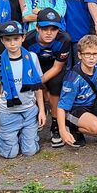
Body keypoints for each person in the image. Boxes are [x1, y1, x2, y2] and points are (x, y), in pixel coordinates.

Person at [0, 20, 47, 158]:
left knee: (29, 151)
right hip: (8, 113)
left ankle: (23, 135)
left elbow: (38, 86)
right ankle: (2, 138)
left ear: (23, 38)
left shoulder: (32, 58)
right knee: (10, 154)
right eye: (8, 40)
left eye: (16, 39)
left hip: (29, 111)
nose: (12, 43)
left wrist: (41, 111)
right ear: (2, 41)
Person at [23, 8, 74, 147]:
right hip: (35, 66)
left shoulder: (64, 39)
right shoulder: (27, 40)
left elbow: (57, 68)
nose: (49, 33)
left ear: (59, 30)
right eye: (45, 29)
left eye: (53, 29)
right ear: (37, 28)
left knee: (55, 86)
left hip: (54, 66)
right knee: (29, 87)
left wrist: (38, 82)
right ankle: (36, 114)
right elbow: (27, 67)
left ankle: (56, 124)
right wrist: (35, 83)